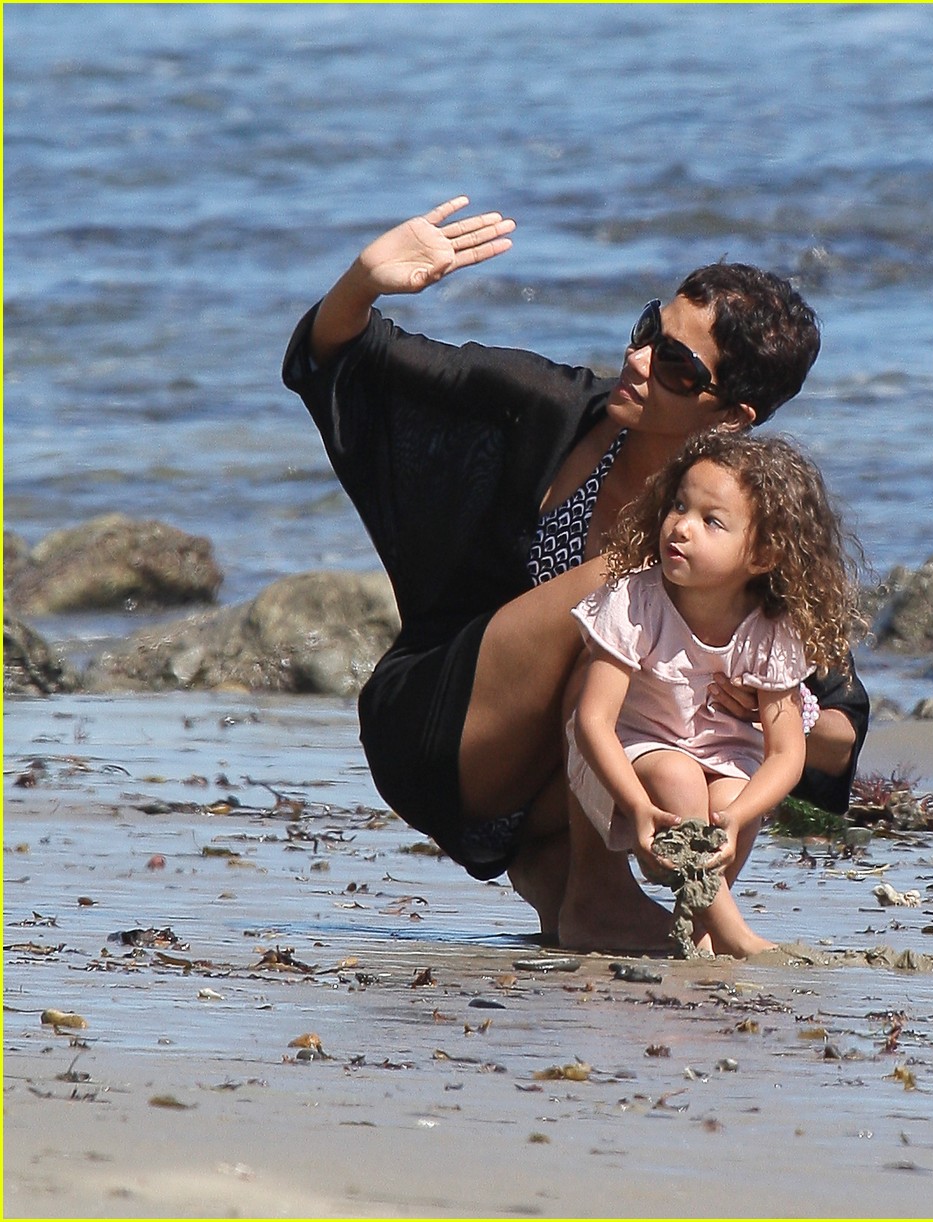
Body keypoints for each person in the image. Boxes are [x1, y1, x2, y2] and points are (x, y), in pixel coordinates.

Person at [282, 196, 869, 951]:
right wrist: (362, 282)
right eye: (648, 330)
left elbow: (839, 736)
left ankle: (582, 892)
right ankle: (595, 894)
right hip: (442, 729)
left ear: (731, 416)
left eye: (677, 366)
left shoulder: (750, 526)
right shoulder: (543, 407)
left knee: (696, 728)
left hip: (549, 795)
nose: (639, 361)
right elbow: (341, 358)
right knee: (626, 593)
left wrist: (763, 706)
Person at [568, 431, 860, 957]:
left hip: (723, 759)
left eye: (711, 521)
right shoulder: (636, 601)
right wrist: (637, 805)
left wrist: (739, 816)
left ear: (764, 554)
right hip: (628, 756)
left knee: (731, 797)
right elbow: (592, 721)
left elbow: (786, 754)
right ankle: (734, 935)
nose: (681, 526)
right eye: (679, 506)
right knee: (679, 775)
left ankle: (703, 930)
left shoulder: (772, 629)